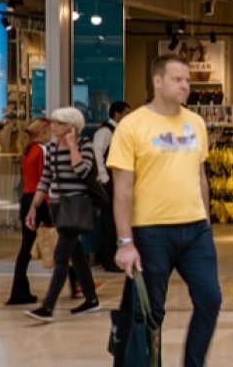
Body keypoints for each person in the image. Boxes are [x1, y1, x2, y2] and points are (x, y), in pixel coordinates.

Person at [109, 53, 222, 367]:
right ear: (157, 81)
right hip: (151, 232)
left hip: (195, 230)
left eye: (187, 80)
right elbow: (122, 190)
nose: (185, 85)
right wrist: (125, 242)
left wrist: (207, 223)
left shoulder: (196, 123)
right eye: (177, 79)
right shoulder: (132, 126)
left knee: (210, 300)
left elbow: (200, 177)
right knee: (150, 312)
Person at [23, 107, 100, 322]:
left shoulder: (85, 145)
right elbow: (46, 178)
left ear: (71, 126)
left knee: (61, 255)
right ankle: (91, 299)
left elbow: (82, 171)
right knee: (77, 254)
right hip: (57, 206)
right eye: (53, 122)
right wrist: (34, 206)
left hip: (74, 206)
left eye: (58, 123)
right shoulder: (52, 147)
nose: (53, 126)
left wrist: (73, 147)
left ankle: (47, 307)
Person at [6, 118, 52, 305]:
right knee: (66, 239)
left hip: (27, 198)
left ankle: (18, 290)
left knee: (25, 247)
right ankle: (78, 282)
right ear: (42, 132)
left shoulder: (27, 150)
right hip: (38, 200)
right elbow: (44, 180)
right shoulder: (41, 151)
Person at [92, 101, 130, 273]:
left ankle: (113, 256)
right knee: (108, 221)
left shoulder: (119, 131)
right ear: (117, 114)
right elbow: (97, 153)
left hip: (117, 180)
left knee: (115, 220)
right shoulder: (105, 132)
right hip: (108, 181)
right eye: (125, 113)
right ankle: (108, 259)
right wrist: (104, 177)